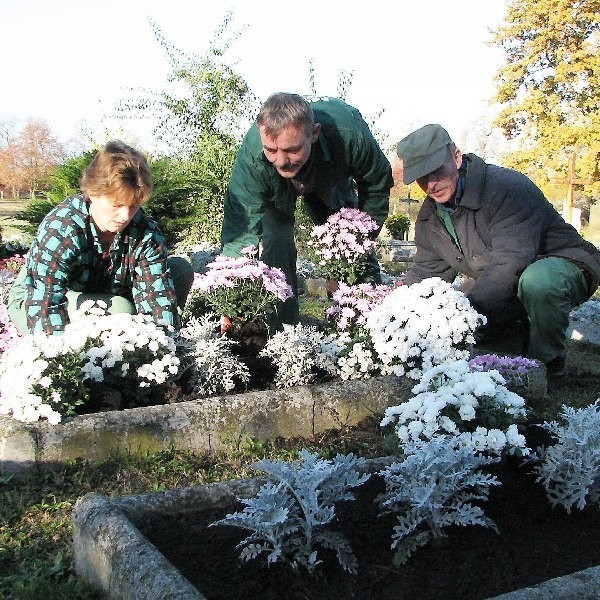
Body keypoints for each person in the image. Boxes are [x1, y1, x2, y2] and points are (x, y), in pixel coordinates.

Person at [396, 123, 600, 377]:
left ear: (456, 157)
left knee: (538, 282)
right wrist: (395, 305)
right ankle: (518, 342)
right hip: (507, 278)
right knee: (469, 309)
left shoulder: (507, 188)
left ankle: (546, 367)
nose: (431, 184)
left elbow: (509, 263)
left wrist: (465, 314)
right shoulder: (430, 218)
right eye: (422, 177)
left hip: (562, 263)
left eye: (437, 171)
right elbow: (428, 272)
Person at [221, 92, 393, 328]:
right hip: (275, 191)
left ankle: (366, 327)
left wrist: (362, 237)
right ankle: (284, 335)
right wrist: (231, 293)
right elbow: (240, 226)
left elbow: (376, 184)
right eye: (271, 150)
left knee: (353, 243)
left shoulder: (350, 134)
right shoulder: (253, 154)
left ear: (314, 133)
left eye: (291, 149)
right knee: (276, 239)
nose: (281, 161)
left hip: (331, 176)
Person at [8, 140, 194, 335]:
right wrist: (60, 359)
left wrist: (162, 348)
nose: (125, 216)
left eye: (133, 206)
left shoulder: (145, 231)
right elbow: (45, 304)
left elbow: (158, 296)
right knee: (122, 311)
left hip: (106, 292)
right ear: (93, 192)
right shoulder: (62, 229)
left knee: (180, 270)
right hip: (37, 297)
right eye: (116, 205)